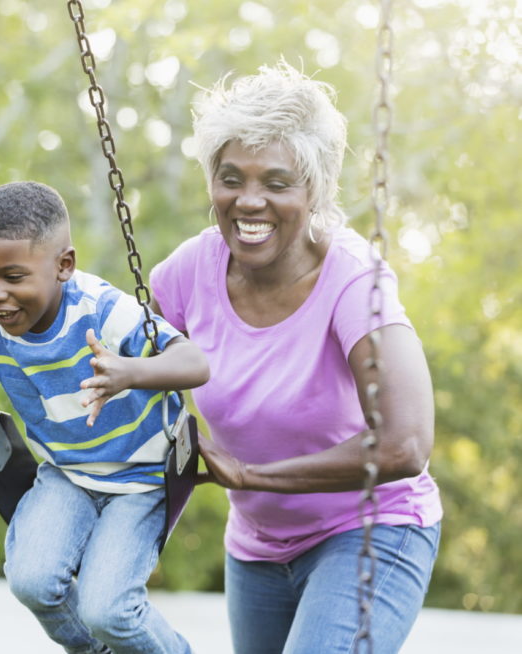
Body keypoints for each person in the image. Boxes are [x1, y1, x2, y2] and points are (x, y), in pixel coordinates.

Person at [148, 62, 443, 654]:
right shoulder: (188, 272)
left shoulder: (355, 282)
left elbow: (405, 445)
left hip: (371, 531)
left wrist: (252, 476)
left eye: (277, 183)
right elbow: (111, 359)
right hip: (257, 546)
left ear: (313, 191)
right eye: (231, 178)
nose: (249, 201)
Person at [0, 181, 209, 654]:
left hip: (140, 479)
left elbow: (195, 364)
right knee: (32, 580)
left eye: (12, 277)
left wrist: (129, 373)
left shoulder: (104, 310)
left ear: (64, 266)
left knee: (108, 609)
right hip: (66, 475)